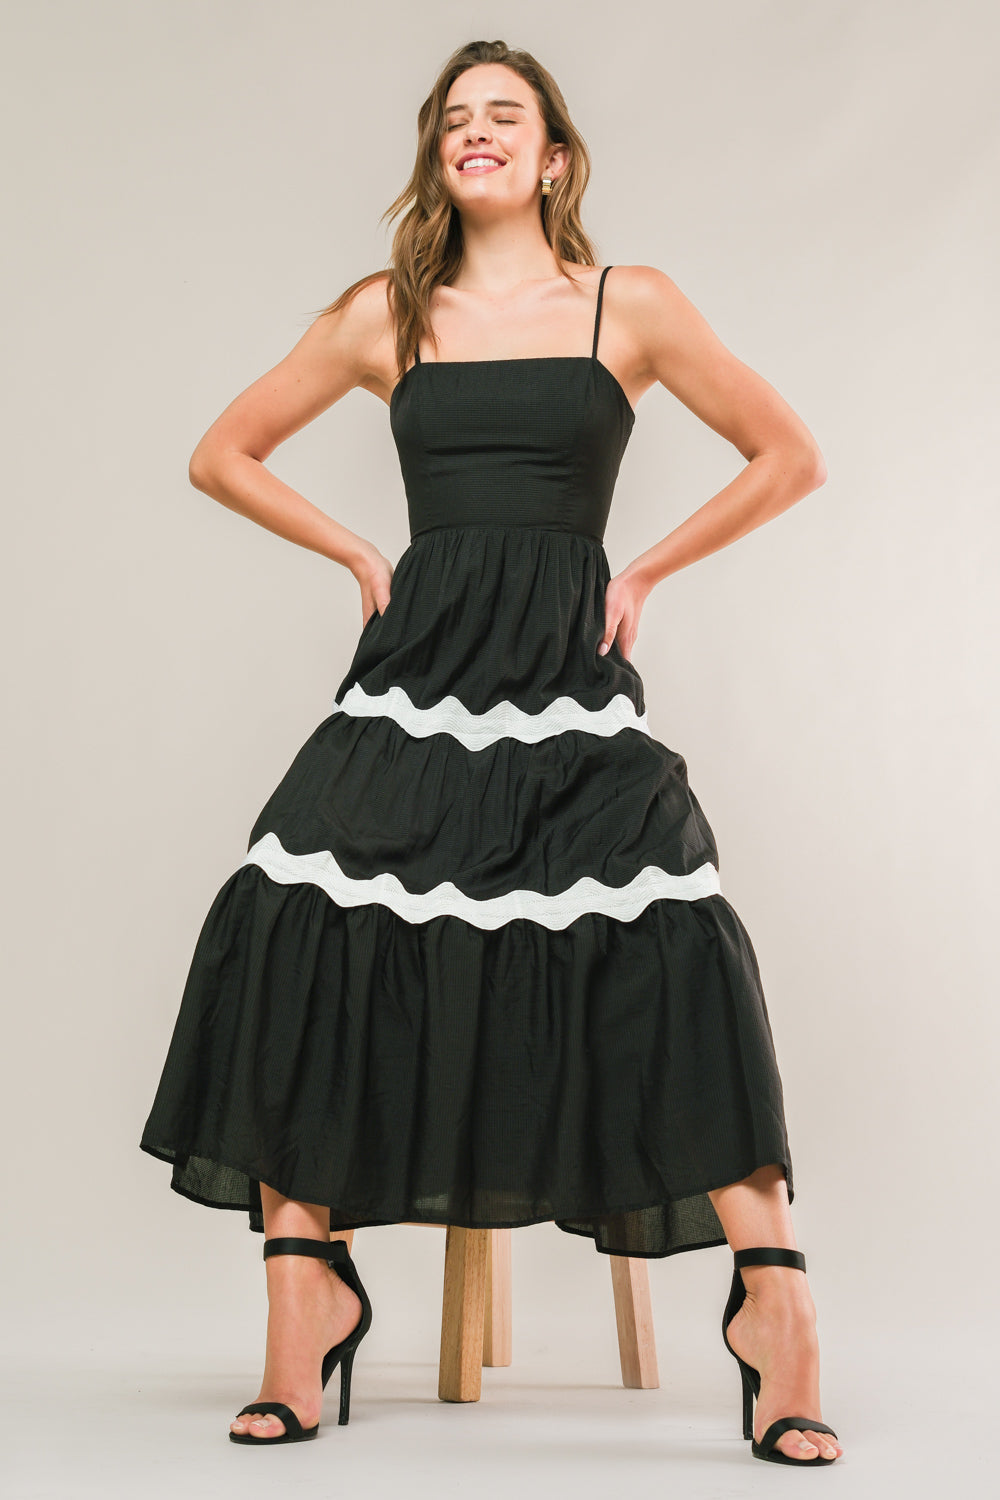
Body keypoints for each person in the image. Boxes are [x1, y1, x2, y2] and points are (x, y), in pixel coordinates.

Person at [140, 38, 842, 1467]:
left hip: (567, 687)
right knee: (293, 931)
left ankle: (776, 1312)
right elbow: (222, 452)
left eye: (505, 115)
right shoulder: (380, 316)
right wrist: (353, 548)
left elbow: (787, 454)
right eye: (456, 118)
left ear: (555, 156)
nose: (478, 133)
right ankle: (304, 1305)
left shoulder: (625, 304)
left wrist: (640, 572)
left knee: (674, 945)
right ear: (437, 157)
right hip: (420, 674)